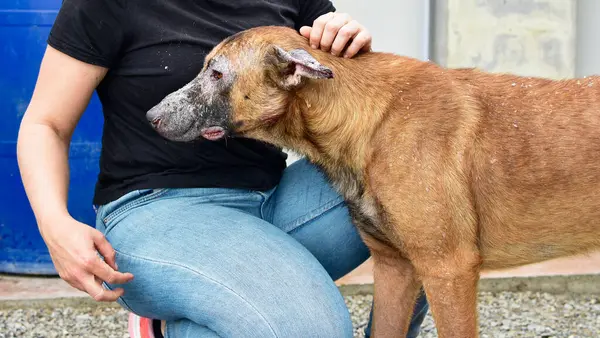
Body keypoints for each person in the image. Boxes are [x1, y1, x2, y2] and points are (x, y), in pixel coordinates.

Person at [16, 0, 429, 337]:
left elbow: (333, 88)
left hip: (277, 198)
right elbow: (44, 125)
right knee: (309, 329)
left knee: (429, 210)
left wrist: (351, 44)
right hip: (156, 213)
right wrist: (53, 225)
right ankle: (177, 317)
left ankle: (198, 316)